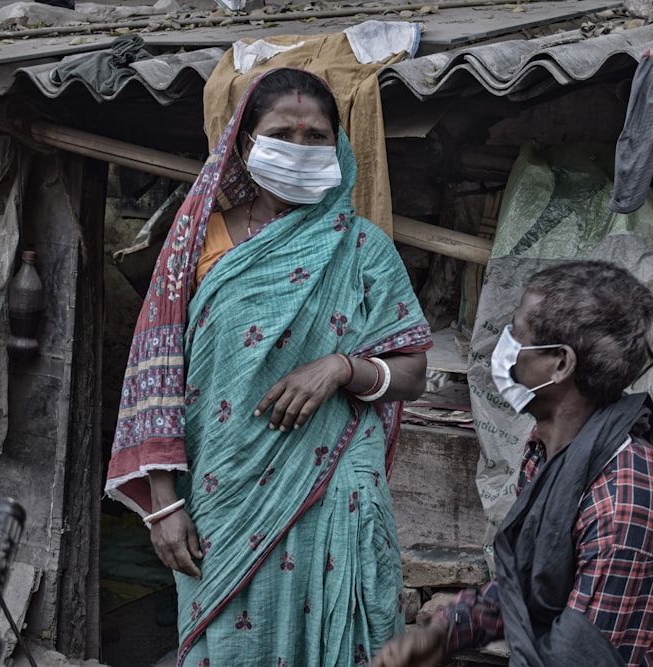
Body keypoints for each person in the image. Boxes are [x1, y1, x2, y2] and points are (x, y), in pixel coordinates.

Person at [105, 67, 432, 667]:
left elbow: (412, 372)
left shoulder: (362, 247)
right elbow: (156, 371)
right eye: (285, 132)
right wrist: (163, 504)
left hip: (336, 486)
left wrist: (340, 367)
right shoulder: (199, 243)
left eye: (318, 136)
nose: (302, 148)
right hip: (219, 491)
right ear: (245, 142)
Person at [373, 261, 653, 667]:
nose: (503, 345)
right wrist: (445, 631)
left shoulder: (624, 497)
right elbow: (528, 586)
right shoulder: (548, 449)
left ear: (560, 363)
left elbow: (585, 653)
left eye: (516, 334)